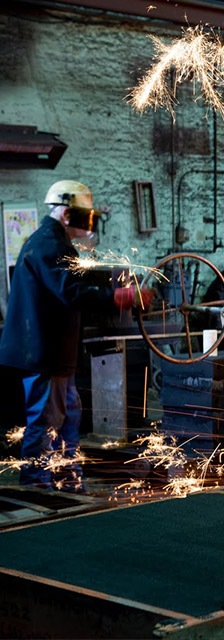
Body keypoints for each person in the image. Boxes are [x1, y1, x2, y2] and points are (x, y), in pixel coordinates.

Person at [0, 180, 150, 492]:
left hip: (55, 354)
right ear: (67, 214)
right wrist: (117, 297)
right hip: (45, 354)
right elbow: (69, 290)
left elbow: (68, 286)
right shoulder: (48, 244)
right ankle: (36, 489)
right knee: (46, 421)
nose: (90, 223)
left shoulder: (52, 241)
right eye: (86, 216)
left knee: (67, 417)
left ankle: (68, 482)